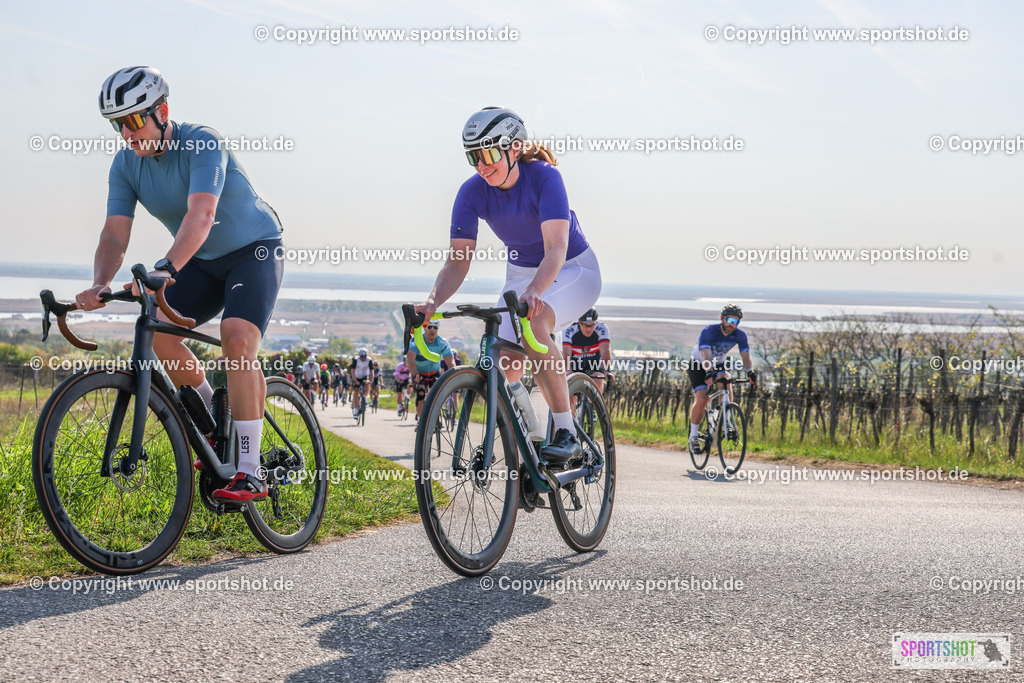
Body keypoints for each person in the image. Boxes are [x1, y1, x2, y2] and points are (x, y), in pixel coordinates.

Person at [76, 66, 283, 502]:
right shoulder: (125, 165)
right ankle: (212, 423)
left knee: (236, 338)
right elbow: (114, 233)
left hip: (254, 251)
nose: (126, 133)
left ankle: (250, 470)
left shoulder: (202, 142)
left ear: (162, 112)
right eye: (117, 125)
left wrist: (166, 269)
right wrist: (100, 283)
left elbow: (202, 215)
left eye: (134, 120)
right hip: (200, 260)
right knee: (160, 336)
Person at [413, 107, 601, 462]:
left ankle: (565, 430)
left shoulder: (545, 177)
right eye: (473, 157)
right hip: (520, 275)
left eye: (487, 155)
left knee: (535, 322)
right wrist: (433, 302)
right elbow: (458, 261)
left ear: (514, 148)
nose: (481, 166)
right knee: (503, 360)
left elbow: (556, 248)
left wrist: (537, 290)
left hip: (573, 269)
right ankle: (531, 440)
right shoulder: (471, 192)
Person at [687, 305, 757, 453]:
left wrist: (750, 371)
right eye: (730, 320)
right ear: (722, 318)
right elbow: (705, 354)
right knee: (702, 399)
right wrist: (709, 371)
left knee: (726, 379)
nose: (732, 324)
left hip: (717, 364)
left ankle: (726, 420)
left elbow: (746, 355)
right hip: (698, 364)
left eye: (736, 321)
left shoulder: (739, 335)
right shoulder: (708, 331)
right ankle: (693, 436)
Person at [406, 320, 455, 420]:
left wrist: (453, 375)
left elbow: (450, 362)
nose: (432, 330)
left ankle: (437, 419)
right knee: (420, 393)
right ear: (424, 328)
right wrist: (415, 374)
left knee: (437, 396)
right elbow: (409, 362)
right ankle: (420, 421)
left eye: (435, 328)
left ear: (438, 329)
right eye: (429, 327)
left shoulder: (442, 342)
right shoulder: (416, 341)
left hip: (434, 373)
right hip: (420, 374)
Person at [562, 308, 612, 394]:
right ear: (579, 323)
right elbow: (566, 353)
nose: (589, 329)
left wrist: (607, 370)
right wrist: (568, 370)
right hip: (575, 364)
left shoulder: (602, 328)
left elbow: (605, 351)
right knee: (572, 393)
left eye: (592, 325)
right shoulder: (569, 330)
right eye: (585, 325)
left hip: (593, 364)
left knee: (598, 380)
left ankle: (594, 402)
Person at [349, 348, 374, 417]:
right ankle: (355, 410)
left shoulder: (369, 360)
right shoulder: (356, 360)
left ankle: (365, 399)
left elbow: (371, 371)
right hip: (356, 377)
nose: (363, 358)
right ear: (359, 356)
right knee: (356, 391)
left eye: (364, 356)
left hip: (365, 376)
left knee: (367, 384)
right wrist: (355, 380)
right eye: (362, 357)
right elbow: (352, 371)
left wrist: (371, 379)